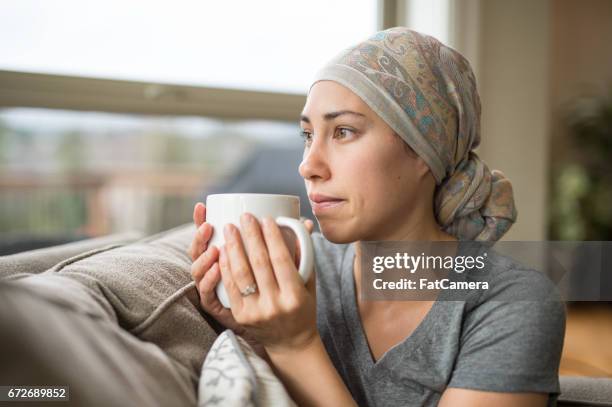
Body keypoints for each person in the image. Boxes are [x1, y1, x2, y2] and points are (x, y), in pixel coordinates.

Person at [189, 27, 565, 407]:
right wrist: (256, 335)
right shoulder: (294, 280)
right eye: (308, 135)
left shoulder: (513, 303)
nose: (308, 166)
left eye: (344, 131)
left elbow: (295, 346)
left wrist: (295, 346)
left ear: (422, 149)